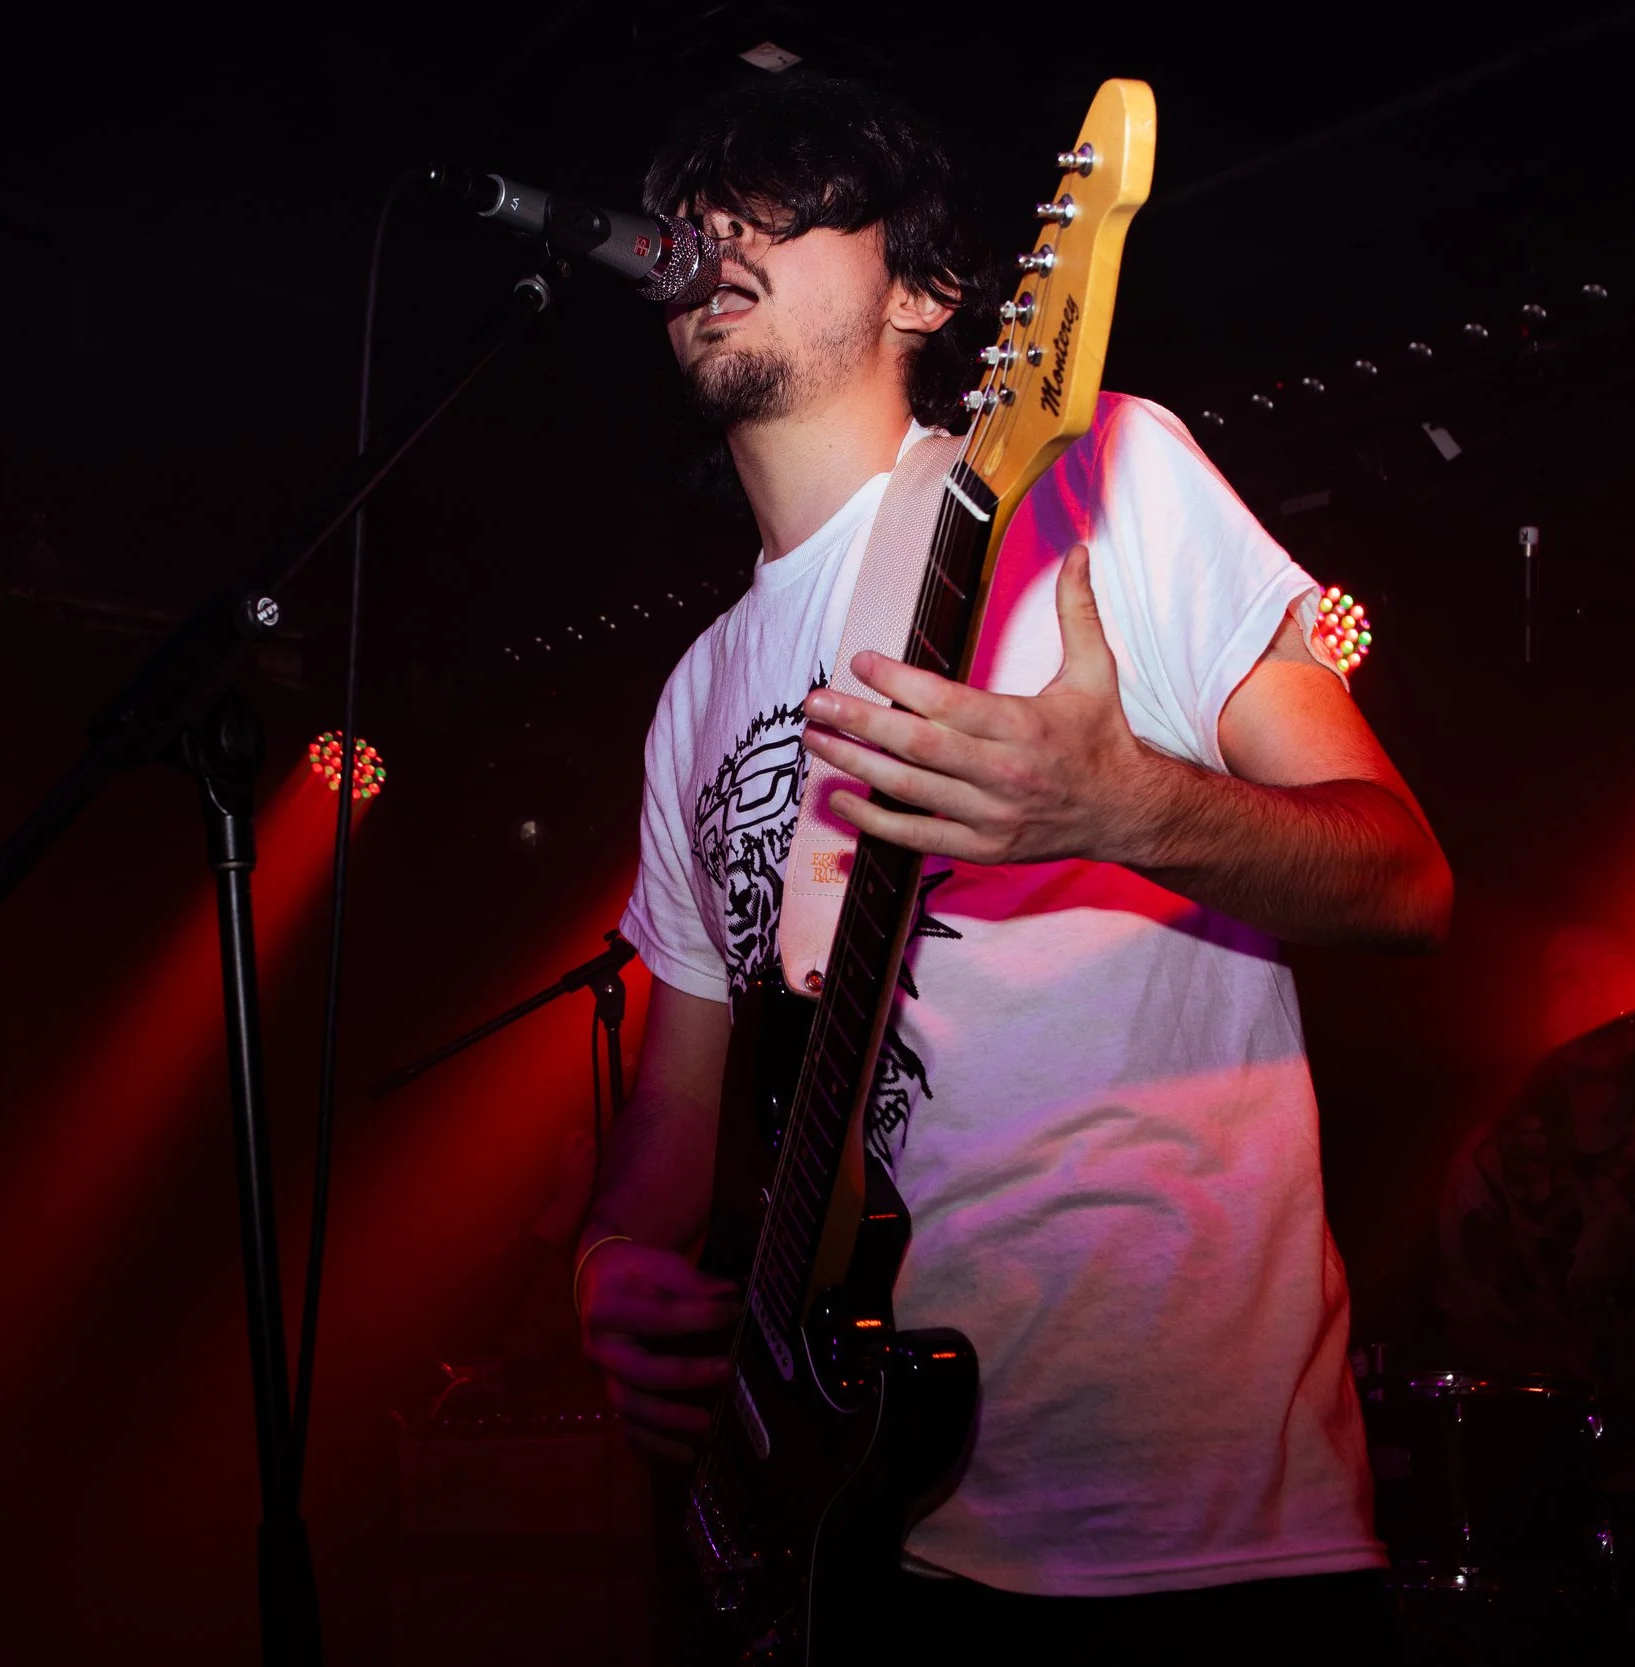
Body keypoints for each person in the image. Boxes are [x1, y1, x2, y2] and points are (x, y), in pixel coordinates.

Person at [574, 77, 1453, 1651]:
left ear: (924, 291)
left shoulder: (1096, 476)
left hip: (1181, 1526)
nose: (715, 233)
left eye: (783, 199)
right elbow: (682, 1095)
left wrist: (1127, 807)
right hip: (842, 1522)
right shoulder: (694, 691)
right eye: (698, 208)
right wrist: (613, 1257)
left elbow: (1405, 878)